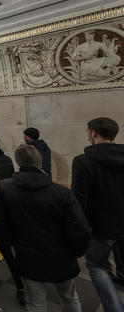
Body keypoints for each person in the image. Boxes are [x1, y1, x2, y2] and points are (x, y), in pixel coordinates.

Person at [0, 144, 91, 312]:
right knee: (69, 298)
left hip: (27, 255)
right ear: (40, 162)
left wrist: (11, 244)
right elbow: (80, 229)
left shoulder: (5, 187)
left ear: (18, 162)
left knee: (36, 303)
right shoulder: (61, 193)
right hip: (61, 255)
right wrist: (75, 252)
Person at [72, 117, 124, 312]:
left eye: (88, 131)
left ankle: (114, 308)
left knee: (96, 265)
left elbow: (79, 199)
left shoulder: (83, 161)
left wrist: (80, 228)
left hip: (101, 227)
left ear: (93, 133)